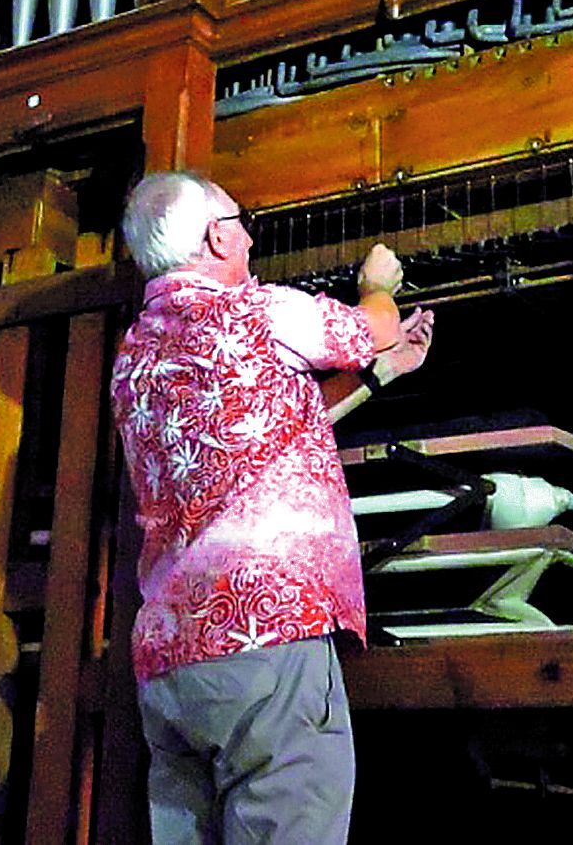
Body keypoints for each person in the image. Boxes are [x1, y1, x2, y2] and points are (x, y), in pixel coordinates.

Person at [112, 170, 435, 844]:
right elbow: (369, 326)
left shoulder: (134, 355)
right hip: (266, 641)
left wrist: (381, 375)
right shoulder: (255, 310)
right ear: (215, 235)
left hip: (173, 663)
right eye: (241, 218)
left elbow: (273, 425)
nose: (252, 235)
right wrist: (378, 284)